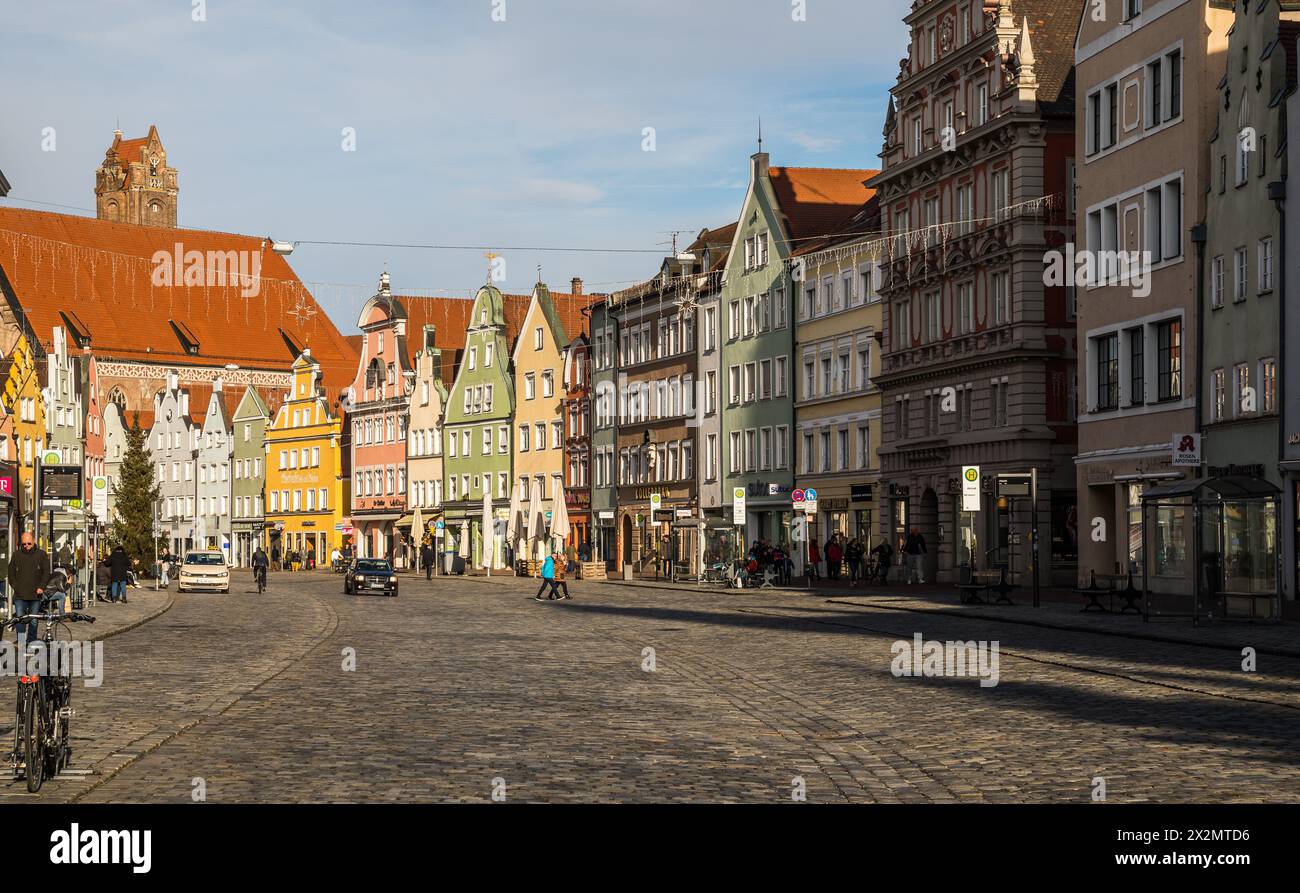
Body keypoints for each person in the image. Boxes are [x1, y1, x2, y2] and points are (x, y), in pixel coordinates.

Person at [6, 532, 50, 649]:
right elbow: (11, 573)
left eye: (28, 543)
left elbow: (46, 572)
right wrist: (15, 585)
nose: (26, 545)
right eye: (24, 543)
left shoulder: (41, 554)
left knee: (33, 621)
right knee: (20, 620)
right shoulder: (16, 555)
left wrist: (41, 586)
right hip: (20, 594)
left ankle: (31, 641)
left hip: (36, 594)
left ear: (34, 541)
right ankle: (21, 642)